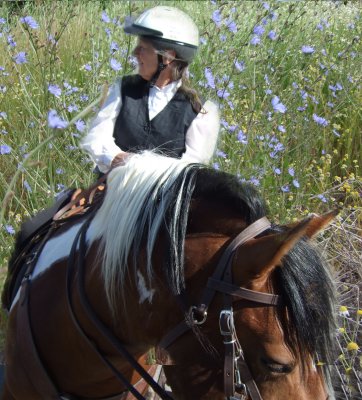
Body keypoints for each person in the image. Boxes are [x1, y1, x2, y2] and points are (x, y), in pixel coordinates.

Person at [81, 5, 220, 174]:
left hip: (162, 199)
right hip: (111, 190)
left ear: (168, 57)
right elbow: (97, 136)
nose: (135, 53)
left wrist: (142, 169)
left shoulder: (201, 111)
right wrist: (115, 157)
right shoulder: (123, 88)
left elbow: (191, 168)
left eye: (143, 48)